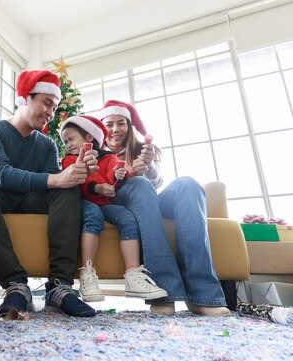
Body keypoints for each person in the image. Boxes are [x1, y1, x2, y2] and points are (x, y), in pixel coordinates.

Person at [0, 70, 98, 319]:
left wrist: (76, 175)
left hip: (30, 200)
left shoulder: (46, 145)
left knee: (67, 190)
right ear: (25, 98)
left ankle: (59, 287)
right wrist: (57, 178)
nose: (50, 112)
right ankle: (15, 284)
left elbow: (53, 186)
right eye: (46, 103)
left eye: (55, 108)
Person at [99, 100, 231, 317]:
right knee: (139, 184)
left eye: (121, 123)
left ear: (129, 126)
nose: (115, 129)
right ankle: (164, 293)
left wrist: (148, 168)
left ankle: (203, 296)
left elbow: (157, 183)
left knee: (188, 184)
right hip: (116, 204)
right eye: (109, 124)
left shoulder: (142, 150)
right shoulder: (96, 153)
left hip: (148, 202)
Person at [59, 115, 168, 303]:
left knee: (127, 218)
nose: (68, 144)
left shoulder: (109, 157)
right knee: (92, 216)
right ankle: (87, 274)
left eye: (71, 139)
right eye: (65, 141)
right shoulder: (69, 160)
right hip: (84, 201)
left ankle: (133, 275)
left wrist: (119, 175)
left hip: (106, 203)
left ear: (89, 137)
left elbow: (117, 174)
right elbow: (79, 181)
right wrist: (97, 187)